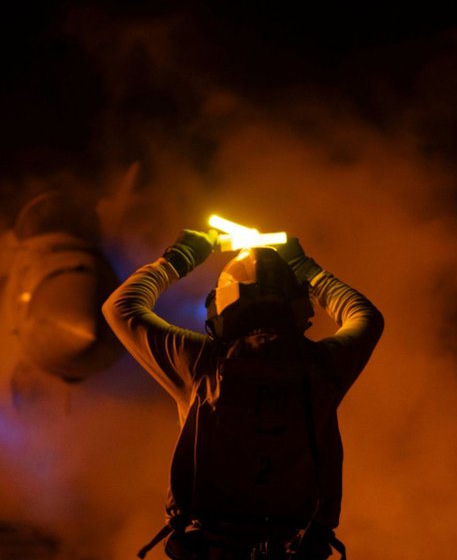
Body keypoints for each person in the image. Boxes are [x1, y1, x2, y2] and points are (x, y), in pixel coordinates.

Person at [103, 229, 384, 560]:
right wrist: (306, 267)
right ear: (298, 304)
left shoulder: (201, 363)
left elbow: (120, 308)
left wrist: (180, 257)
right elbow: (366, 316)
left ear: (221, 307)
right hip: (295, 549)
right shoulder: (323, 366)